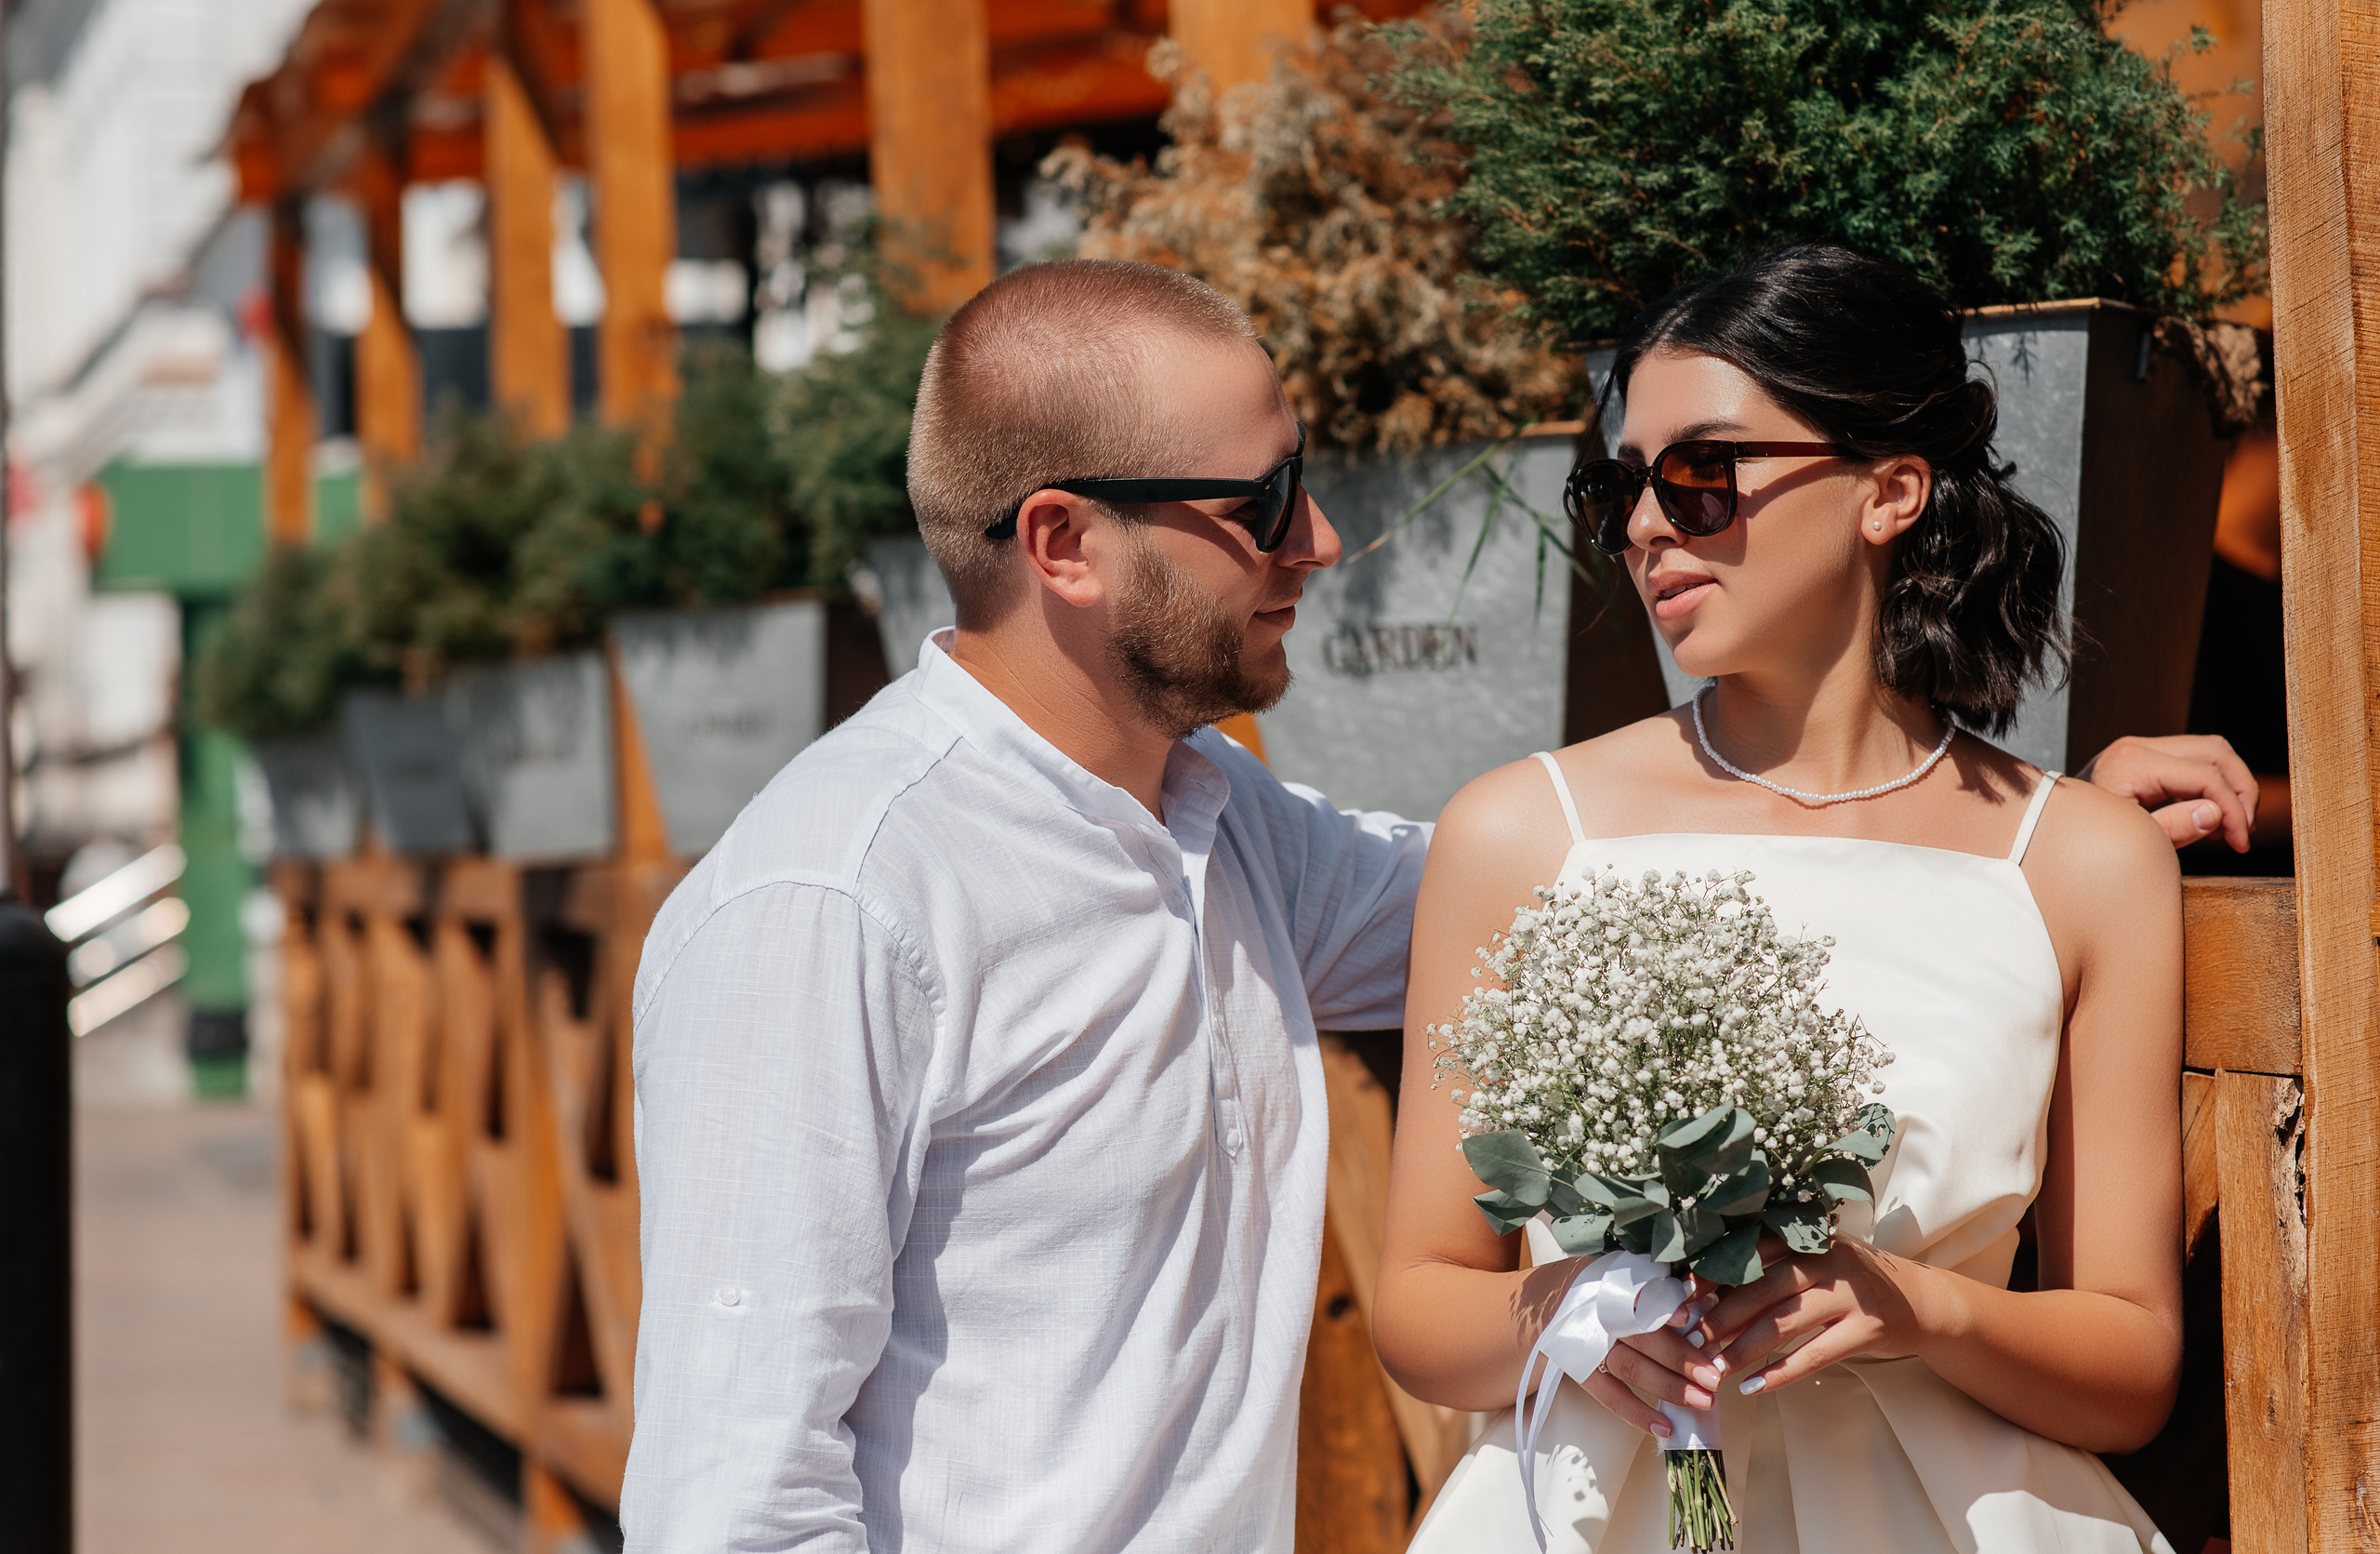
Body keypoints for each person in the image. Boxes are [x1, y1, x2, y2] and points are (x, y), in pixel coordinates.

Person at [1375, 245, 2183, 1552]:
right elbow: (1420, 1299)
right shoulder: (1519, 832)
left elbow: (2133, 1363)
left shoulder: (2087, 862)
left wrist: (1920, 1307)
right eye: (1619, 487)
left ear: (1889, 491)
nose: (1648, 526)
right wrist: (1581, 1312)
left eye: (1702, 475)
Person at [619, 259, 1429, 1552]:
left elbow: (1523, 899)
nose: (1318, 539)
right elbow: (735, 1502)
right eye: (1264, 501)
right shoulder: (832, 900)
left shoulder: (1220, 821)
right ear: (1065, 545)